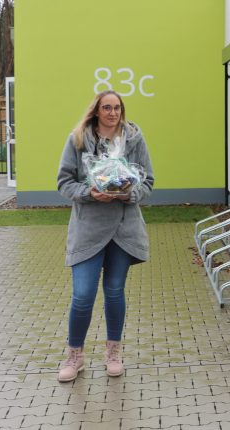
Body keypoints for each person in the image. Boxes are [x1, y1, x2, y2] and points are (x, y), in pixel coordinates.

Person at [55, 90, 154, 382]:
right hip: (88, 229)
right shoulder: (78, 139)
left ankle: (113, 352)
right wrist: (89, 192)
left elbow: (148, 180)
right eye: (106, 107)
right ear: (96, 111)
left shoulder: (134, 138)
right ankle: (75, 356)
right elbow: (64, 182)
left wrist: (129, 193)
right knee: (83, 294)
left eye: (117, 107)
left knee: (114, 292)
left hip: (123, 229)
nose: (112, 112)